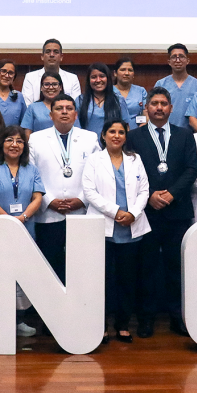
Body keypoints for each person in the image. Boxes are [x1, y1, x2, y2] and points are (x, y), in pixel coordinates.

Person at [127, 87, 197, 337]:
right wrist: (151, 196)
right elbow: (131, 172)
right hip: (147, 211)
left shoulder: (185, 135)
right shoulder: (133, 136)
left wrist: (170, 194)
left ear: (171, 108)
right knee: (146, 266)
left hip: (177, 210)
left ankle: (178, 317)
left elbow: (191, 170)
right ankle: (145, 318)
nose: (159, 107)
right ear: (146, 107)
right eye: (154, 103)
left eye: (164, 104)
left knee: (176, 266)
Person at [82, 120, 151, 342]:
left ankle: (122, 325)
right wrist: (115, 212)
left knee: (127, 280)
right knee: (103, 280)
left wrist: (132, 213)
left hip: (130, 226)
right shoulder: (94, 160)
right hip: (103, 226)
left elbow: (144, 190)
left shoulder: (135, 159)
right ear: (103, 135)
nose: (116, 135)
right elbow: (89, 192)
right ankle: (99, 325)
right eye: (112, 131)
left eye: (121, 132)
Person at [0, 125, 45, 337]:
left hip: (25, 228)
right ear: (1, 144)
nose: (14, 145)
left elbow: (38, 198)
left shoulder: (31, 170)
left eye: (19, 141)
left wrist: (22, 218)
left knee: (20, 276)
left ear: (24, 146)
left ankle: (18, 321)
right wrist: (9, 221)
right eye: (9, 140)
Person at [28, 94, 99, 284]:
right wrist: (49, 200)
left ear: (76, 115)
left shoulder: (90, 138)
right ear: (50, 115)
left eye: (69, 108)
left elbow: (97, 173)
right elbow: (31, 175)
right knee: (50, 265)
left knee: (81, 265)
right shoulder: (36, 139)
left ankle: (80, 309)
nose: (64, 112)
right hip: (48, 213)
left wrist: (83, 199)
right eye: (59, 108)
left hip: (81, 212)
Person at [153, 43, 197, 128]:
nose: (177, 60)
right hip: (165, 132)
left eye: (181, 56)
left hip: (190, 134)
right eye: (174, 57)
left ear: (187, 60)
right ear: (169, 62)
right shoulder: (161, 84)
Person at [20, 39, 81, 105]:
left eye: (56, 52)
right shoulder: (30, 77)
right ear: (42, 56)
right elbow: (27, 105)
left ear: (61, 57)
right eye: (48, 51)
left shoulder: (72, 78)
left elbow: (75, 106)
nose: (52, 55)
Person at [76, 63, 132, 135]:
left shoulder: (118, 100)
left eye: (102, 76)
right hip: (86, 144)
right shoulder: (80, 100)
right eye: (93, 77)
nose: (98, 80)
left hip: (113, 144)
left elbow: (126, 126)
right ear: (88, 80)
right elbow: (76, 127)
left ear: (108, 79)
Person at [113, 56, 147, 125]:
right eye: (123, 70)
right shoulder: (108, 91)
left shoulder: (141, 91)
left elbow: (146, 112)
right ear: (115, 73)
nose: (127, 73)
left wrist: (142, 127)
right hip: (115, 132)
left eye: (130, 70)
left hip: (138, 131)